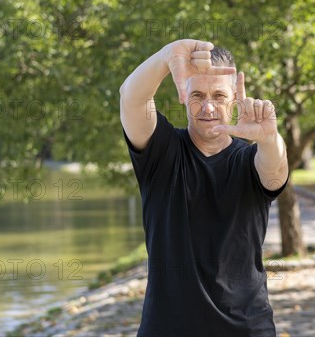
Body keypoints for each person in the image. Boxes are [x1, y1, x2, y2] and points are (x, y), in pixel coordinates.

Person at [119, 39, 289, 337]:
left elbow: (275, 170)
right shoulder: (162, 152)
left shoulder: (251, 159)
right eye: (197, 94)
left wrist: (268, 138)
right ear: (183, 94)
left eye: (219, 95)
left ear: (235, 96)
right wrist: (165, 56)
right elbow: (131, 97)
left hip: (247, 329)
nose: (208, 106)